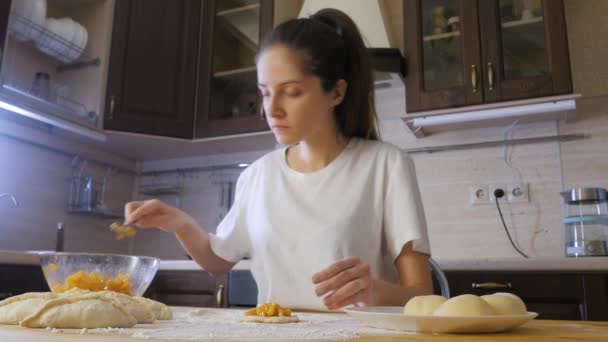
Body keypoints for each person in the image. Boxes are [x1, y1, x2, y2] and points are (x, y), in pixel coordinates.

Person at [124, 8, 433, 311]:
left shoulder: (385, 166)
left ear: (336, 93)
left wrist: (374, 292)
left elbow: (423, 295)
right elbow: (218, 261)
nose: (271, 109)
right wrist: (180, 223)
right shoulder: (258, 175)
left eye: (292, 92)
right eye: (265, 92)